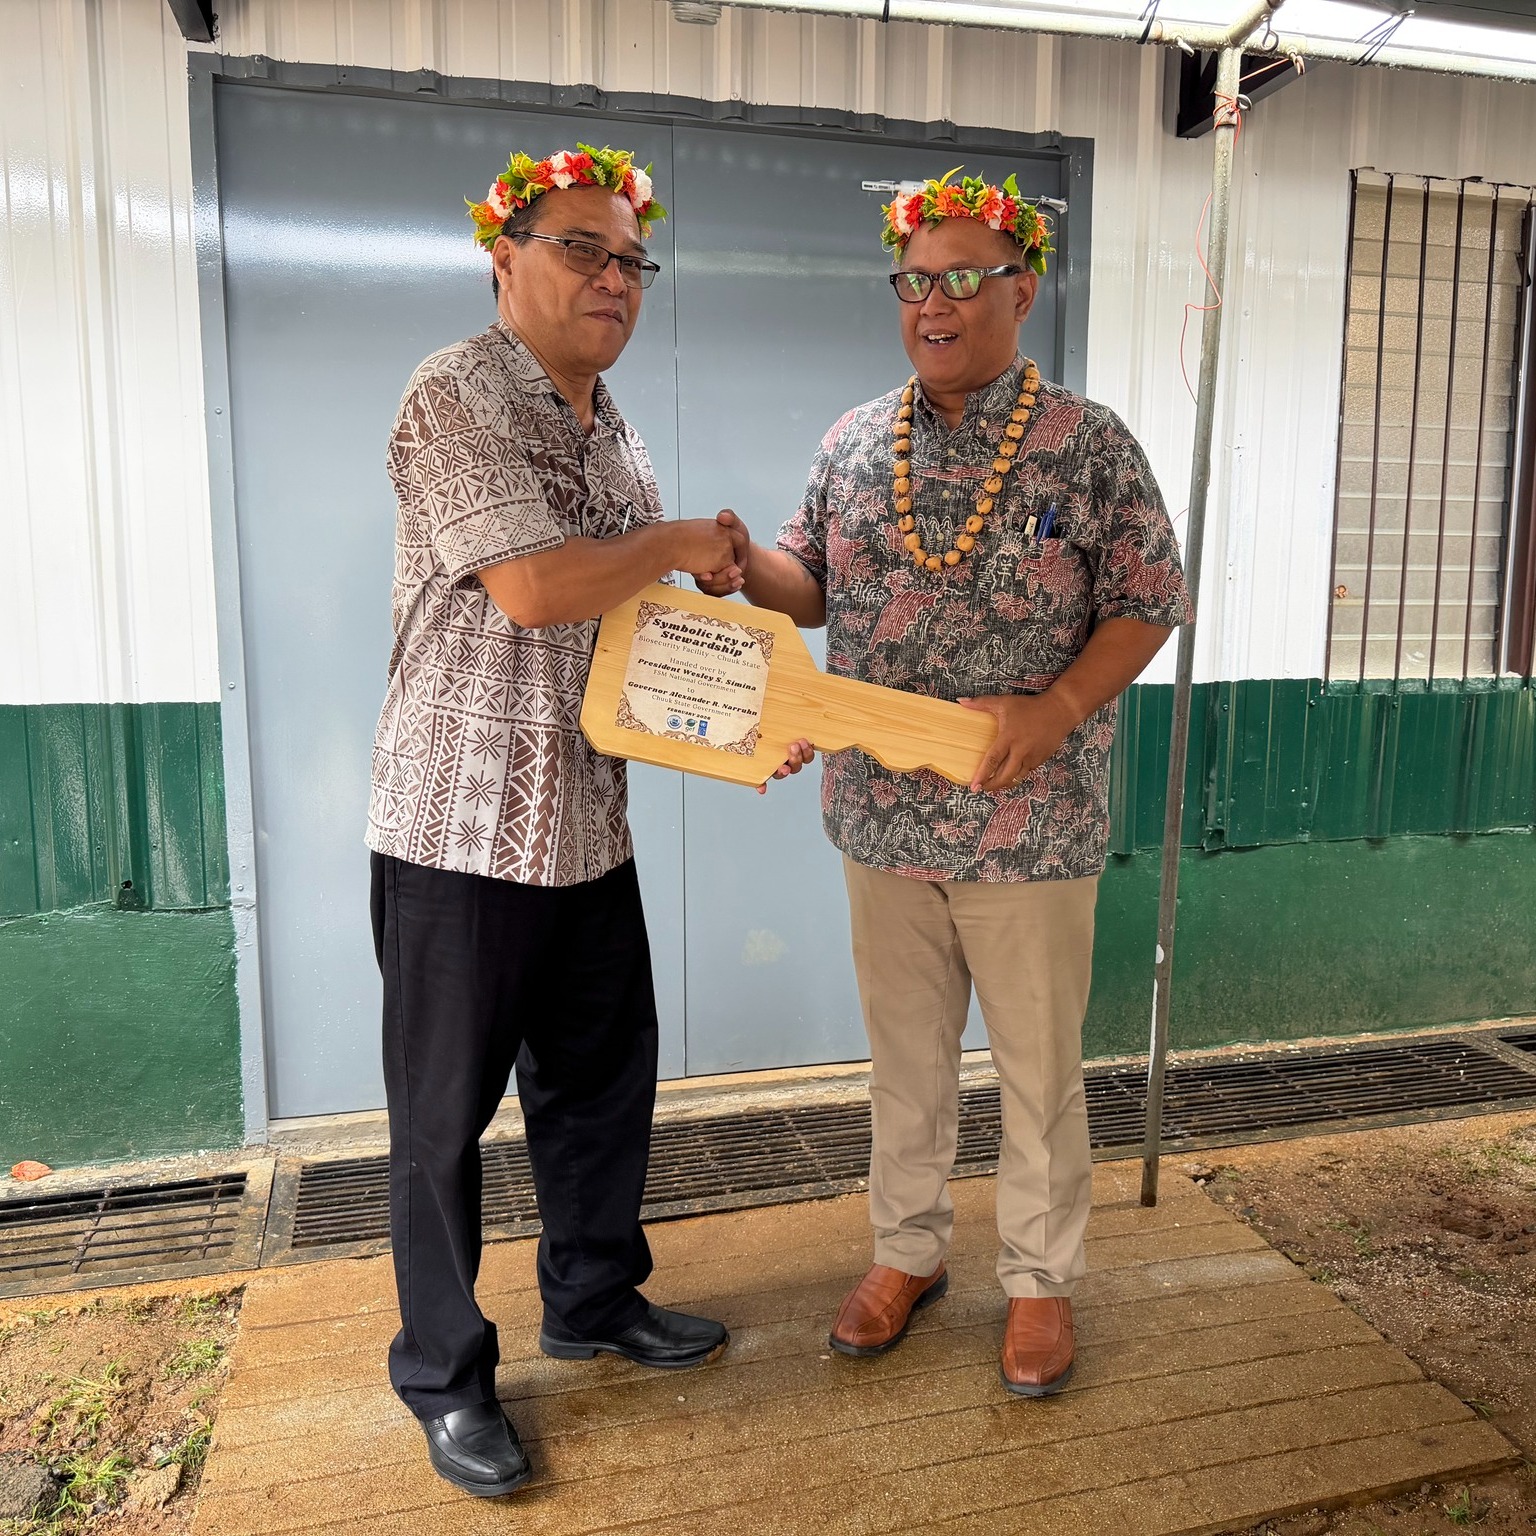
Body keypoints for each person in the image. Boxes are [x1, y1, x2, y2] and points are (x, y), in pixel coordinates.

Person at [698, 170, 1192, 1397]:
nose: (934, 302)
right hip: (881, 817)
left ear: (1023, 290)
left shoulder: (1089, 446)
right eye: (915, 281)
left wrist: (1057, 707)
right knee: (905, 1060)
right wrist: (741, 563)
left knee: (1038, 1068)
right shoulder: (857, 438)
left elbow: (1150, 599)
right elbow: (812, 580)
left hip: (1031, 825)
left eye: (964, 278)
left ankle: (1039, 1281)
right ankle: (908, 1254)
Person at [366, 144, 807, 1498]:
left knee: (602, 1083)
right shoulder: (454, 393)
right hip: (458, 827)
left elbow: (635, 625)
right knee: (442, 1120)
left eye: (631, 259)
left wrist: (740, 719)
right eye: (581, 248)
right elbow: (541, 589)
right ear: (505, 258)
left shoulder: (611, 421)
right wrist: (681, 542)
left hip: (584, 819)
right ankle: (446, 1377)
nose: (614, 278)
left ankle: (595, 1298)